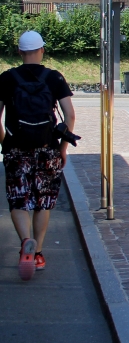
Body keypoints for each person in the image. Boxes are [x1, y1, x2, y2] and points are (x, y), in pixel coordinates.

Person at [0, 31, 76, 281]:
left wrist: (5, 143)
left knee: (18, 199)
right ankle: (39, 252)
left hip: (16, 148)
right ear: (42, 50)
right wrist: (62, 149)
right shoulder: (54, 77)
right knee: (43, 201)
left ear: (20, 52)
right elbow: (69, 115)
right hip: (47, 147)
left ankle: (25, 243)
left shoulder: (7, 78)